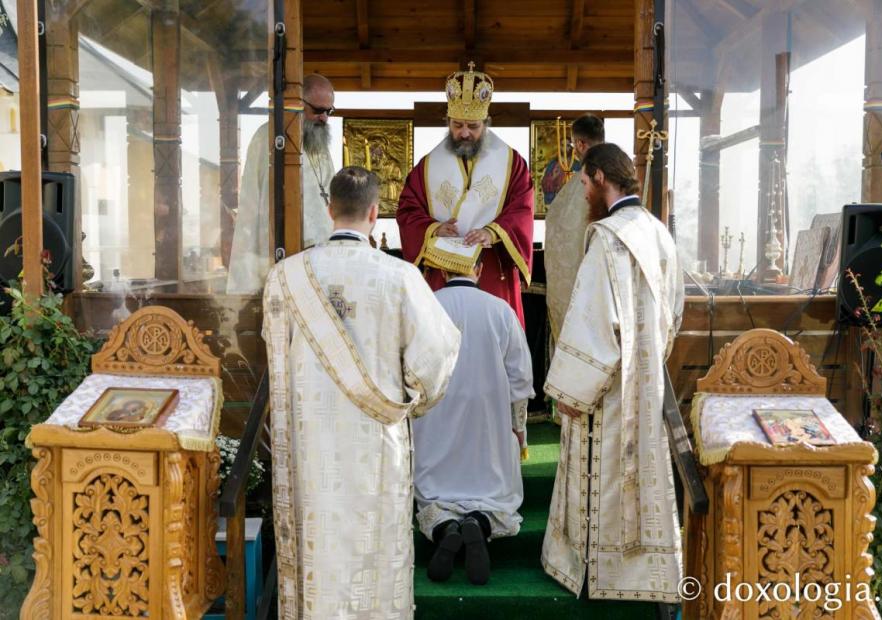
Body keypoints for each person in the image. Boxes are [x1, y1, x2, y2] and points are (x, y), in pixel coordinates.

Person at [262, 166, 461, 618]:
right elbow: (438, 355)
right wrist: (413, 401)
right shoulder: (400, 277)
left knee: (322, 548)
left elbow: (277, 364)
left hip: (310, 446)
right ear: (375, 213)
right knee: (375, 547)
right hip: (376, 442)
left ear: (329, 209)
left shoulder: (284, 277)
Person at [541, 143, 684, 602]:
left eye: (583, 183)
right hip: (645, 381)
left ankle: (593, 576)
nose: (583, 192)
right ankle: (642, 575)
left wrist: (570, 390)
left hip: (605, 392)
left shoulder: (606, 238)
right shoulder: (658, 233)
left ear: (601, 177)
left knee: (601, 477)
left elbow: (595, 323)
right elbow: (674, 312)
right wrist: (650, 359)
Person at [412, 256, 534, 586]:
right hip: (488, 429)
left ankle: (445, 528)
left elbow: (407, 372)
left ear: (441, 268)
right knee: (497, 497)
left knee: (432, 496)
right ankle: (479, 522)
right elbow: (521, 379)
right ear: (479, 270)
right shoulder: (500, 311)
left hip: (434, 428)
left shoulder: (425, 307)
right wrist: (518, 430)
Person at [396, 64, 535, 327]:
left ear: (485, 123)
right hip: (443, 269)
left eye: (473, 125)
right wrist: (433, 228)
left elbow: (523, 207)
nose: (464, 133)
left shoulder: (512, 163)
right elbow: (407, 210)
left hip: (491, 266)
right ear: (448, 122)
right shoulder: (427, 166)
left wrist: (493, 232)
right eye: (457, 125)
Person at [228, 73, 337, 293]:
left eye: (329, 111)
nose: (324, 118)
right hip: (281, 256)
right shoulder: (266, 138)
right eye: (318, 110)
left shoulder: (319, 147)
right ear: (299, 103)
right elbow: (251, 204)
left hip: (320, 261)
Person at [544, 114, 605, 344]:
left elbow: (560, 241)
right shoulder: (617, 180)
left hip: (578, 296)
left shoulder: (575, 188)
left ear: (580, 144)